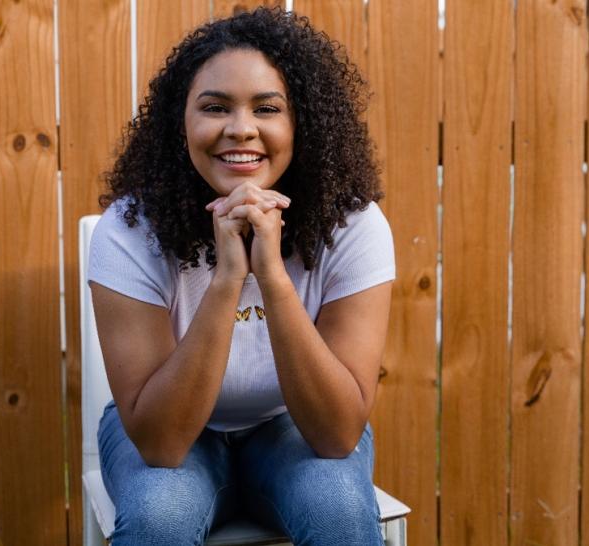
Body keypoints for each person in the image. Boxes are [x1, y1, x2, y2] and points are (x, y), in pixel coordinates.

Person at [87, 7, 394, 545]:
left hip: (293, 428)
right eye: (215, 107)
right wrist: (228, 277)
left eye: (267, 108)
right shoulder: (129, 230)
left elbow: (338, 433)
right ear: (179, 123)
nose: (241, 128)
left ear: (302, 123)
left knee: (338, 509)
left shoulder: (353, 225)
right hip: (178, 434)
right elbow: (160, 444)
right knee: (160, 515)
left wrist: (270, 273)